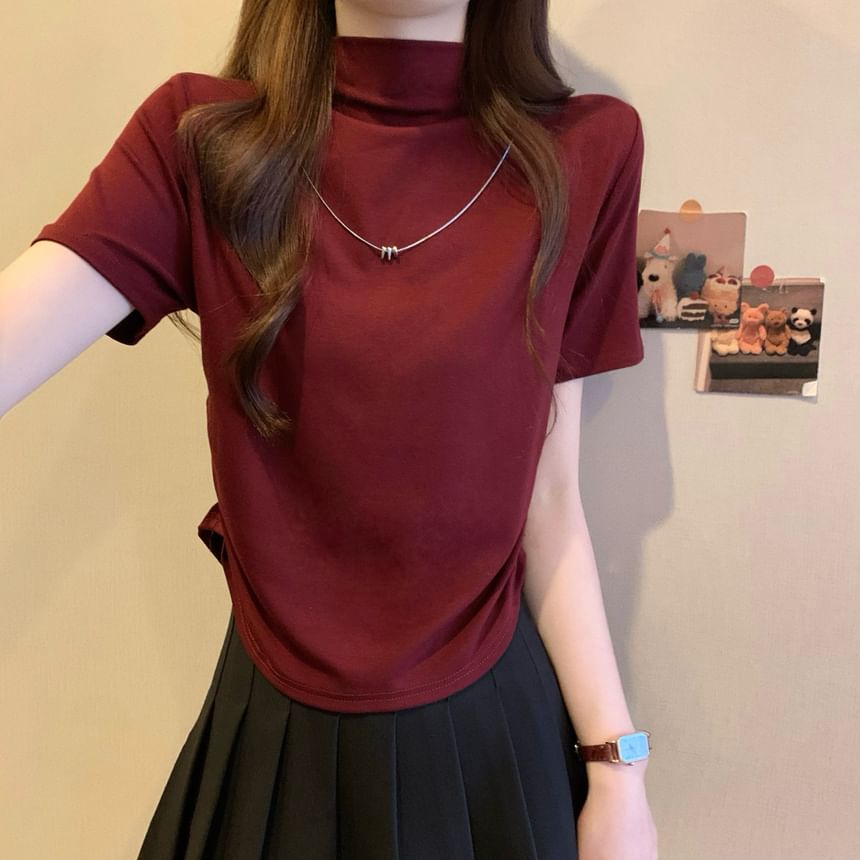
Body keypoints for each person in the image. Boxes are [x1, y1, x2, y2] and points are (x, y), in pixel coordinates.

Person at [1, 1, 659, 858]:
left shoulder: (587, 149)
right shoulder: (201, 139)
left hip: (495, 746)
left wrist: (617, 769)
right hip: (273, 746)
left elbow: (550, 494)